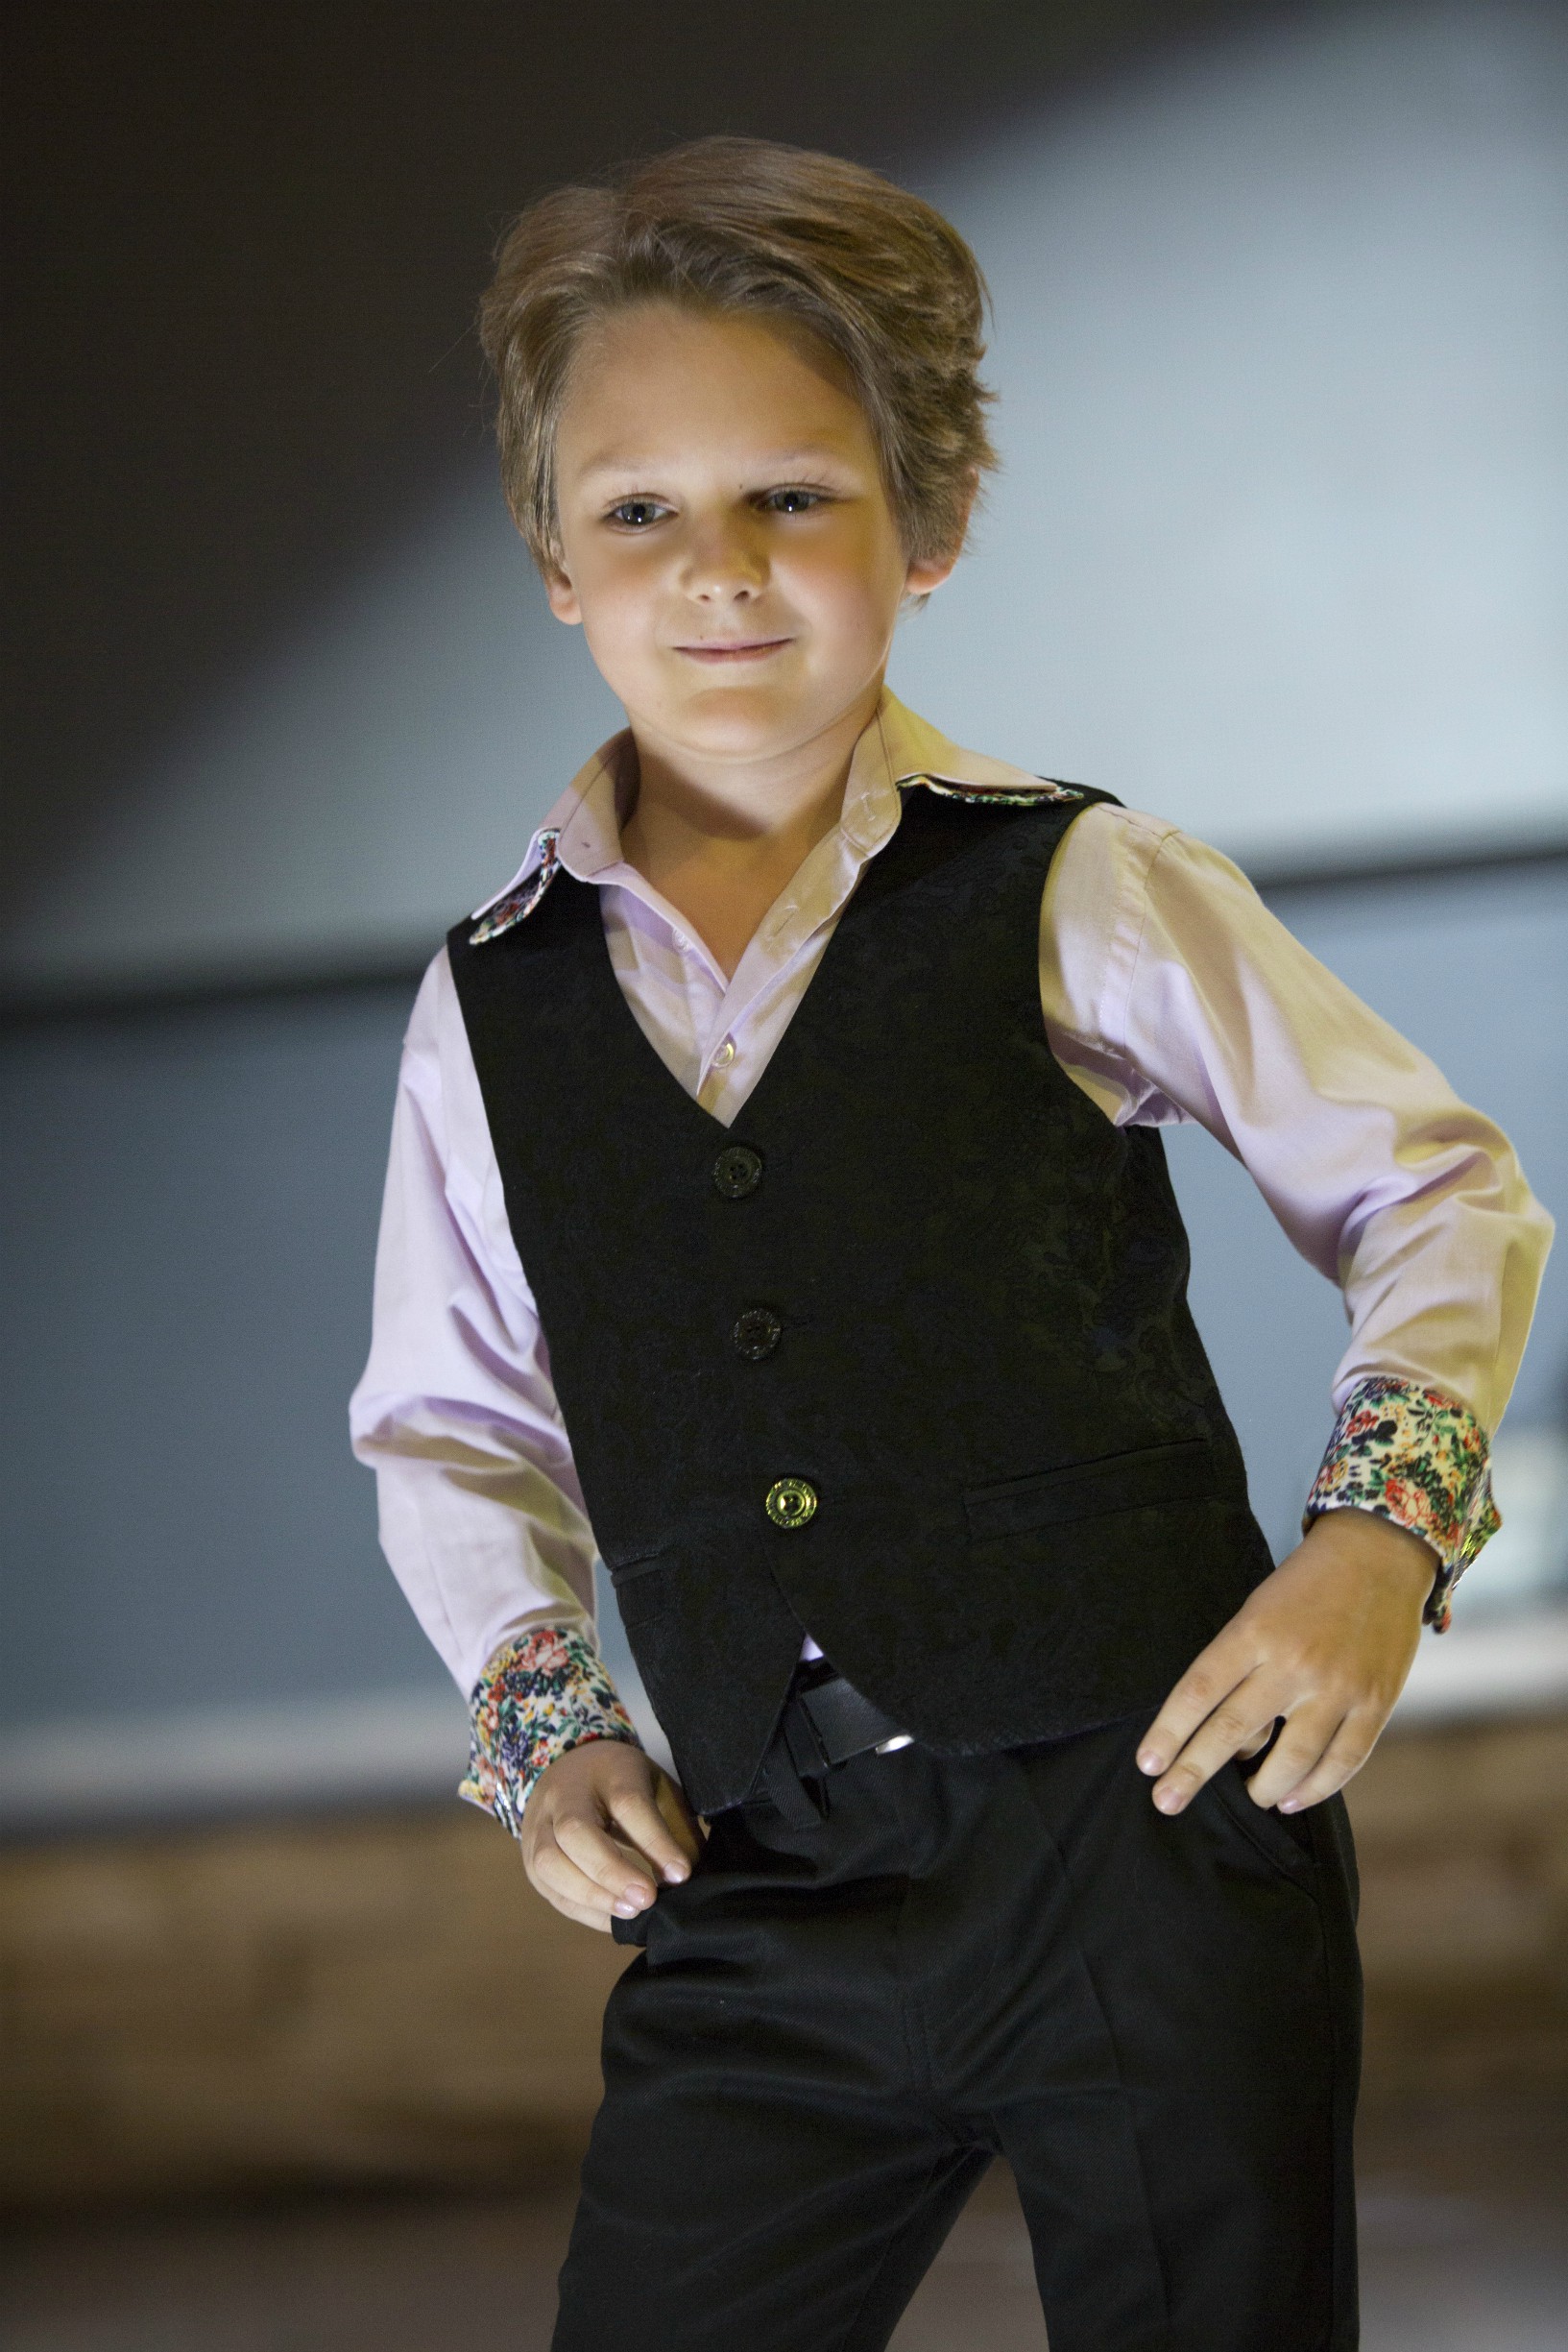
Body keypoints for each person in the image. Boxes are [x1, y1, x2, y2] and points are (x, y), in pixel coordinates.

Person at [350, 136, 1551, 2351]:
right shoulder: (489, 999)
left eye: (793, 495)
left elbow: (1435, 1185)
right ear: (552, 556)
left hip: (1148, 1831)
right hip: (761, 1880)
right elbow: (447, 1418)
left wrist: (1376, 1544)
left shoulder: (1078, 881)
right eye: (641, 509)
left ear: (931, 523)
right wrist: (545, 1722)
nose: (719, 568)